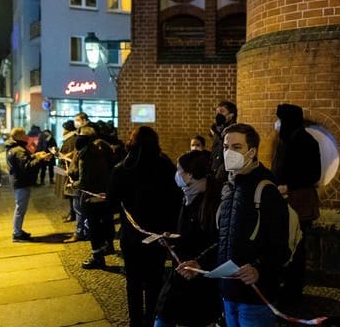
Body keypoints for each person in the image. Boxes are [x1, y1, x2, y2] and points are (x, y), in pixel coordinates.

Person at [181, 123, 290, 327]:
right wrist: (200, 263)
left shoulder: (267, 190)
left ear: (252, 151)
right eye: (225, 147)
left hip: (255, 297)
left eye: (237, 147)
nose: (229, 152)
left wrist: (259, 269)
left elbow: (280, 247)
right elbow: (222, 239)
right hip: (228, 292)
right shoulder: (227, 188)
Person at [108, 126, 181, 326]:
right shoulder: (165, 166)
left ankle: (135, 322)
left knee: (133, 282)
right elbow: (176, 200)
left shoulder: (122, 169)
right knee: (154, 281)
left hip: (131, 235)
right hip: (158, 236)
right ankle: (151, 318)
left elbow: (112, 203)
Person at [154, 150, 222, 327]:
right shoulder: (188, 196)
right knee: (163, 317)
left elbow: (218, 240)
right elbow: (188, 234)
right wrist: (173, 240)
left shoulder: (211, 202)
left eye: (179, 170)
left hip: (199, 278)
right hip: (181, 270)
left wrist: (200, 263)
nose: (176, 175)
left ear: (190, 175)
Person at [271, 103, 321, 303]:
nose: (277, 123)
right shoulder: (286, 140)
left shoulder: (304, 141)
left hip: (298, 203)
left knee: (296, 247)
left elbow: (312, 173)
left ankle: (293, 290)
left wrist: (288, 185)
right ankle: (287, 286)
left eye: (280, 119)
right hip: (287, 201)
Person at [69, 125, 115, 266]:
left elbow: (84, 182)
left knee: (93, 227)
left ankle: (97, 257)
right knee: (101, 224)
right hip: (102, 194)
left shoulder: (85, 157)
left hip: (91, 197)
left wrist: (73, 184)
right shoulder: (97, 152)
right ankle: (104, 248)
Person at [5, 127, 52, 242]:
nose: (26, 136)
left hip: (18, 181)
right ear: (19, 136)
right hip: (21, 182)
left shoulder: (13, 148)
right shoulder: (18, 150)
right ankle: (17, 233)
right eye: (24, 134)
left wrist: (36, 155)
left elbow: (26, 160)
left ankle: (18, 231)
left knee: (20, 208)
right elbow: (27, 166)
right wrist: (41, 159)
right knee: (20, 209)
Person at [55, 120, 78, 223]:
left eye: (64, 128)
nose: (63, 130)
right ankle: (72, 213)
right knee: (68, 192)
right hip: (64, 167)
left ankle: (73, 214)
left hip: (67, 168)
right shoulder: (70, 138)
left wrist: (60, 154)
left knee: (70, 192)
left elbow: (70, 154)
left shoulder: (72, 139)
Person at [210, 101, 237, 182]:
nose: (218, 114)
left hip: (224, 176)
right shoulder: (216, 131)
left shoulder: (234, 131)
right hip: (214, 173)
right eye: (217, 112)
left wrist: (221, 172)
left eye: (222, 111)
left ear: (231, 115)